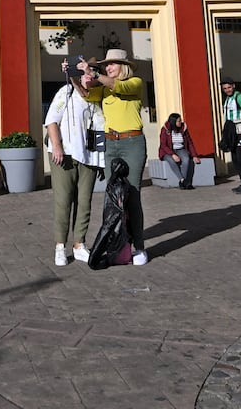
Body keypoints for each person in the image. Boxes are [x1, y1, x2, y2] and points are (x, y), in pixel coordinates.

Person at [83, 49, 148, 265]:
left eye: (112, 64)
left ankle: (139, 247)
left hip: (132, 143)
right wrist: (75, 75)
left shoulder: (135, 82)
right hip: (110, 143)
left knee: (132, 194)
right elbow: (86, 94)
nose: (108, 68)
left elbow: (118, 86)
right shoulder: (104, 89)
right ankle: (118, 244)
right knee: (113, 197)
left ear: (124, 66)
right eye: (106, 65)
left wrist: (94, 73)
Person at [45, 56, 105, 265]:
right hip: (66, 154)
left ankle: (79, 244)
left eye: (92, 72)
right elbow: (51, 120)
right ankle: (60, 246)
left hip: (90, 156)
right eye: (84, 71)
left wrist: (101, 160)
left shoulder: (100, 97)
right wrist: (57, 146)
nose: (88, 75)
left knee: (84, 202)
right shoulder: (67, 91)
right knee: (63, 201)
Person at [219, 77, 241, 194]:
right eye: (225, 88)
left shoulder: (240, 97)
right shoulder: (228, 99)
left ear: (233, 86)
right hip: (232, 135)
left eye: (229, 87)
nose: (227, 90)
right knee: (236, 159)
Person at [158, 112, 201, 190]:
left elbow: (189, 143)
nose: (180, 122)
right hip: (167, 151)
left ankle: (183, 182)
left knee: (186, 159)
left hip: (181, 149)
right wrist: (172, 154)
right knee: (171, 160)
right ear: (173, 122)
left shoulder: (183, 128)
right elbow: (163, 145)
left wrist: (194, 155)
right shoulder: (165, 130)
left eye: (180, 120)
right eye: (178, 121)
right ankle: (182, 180)